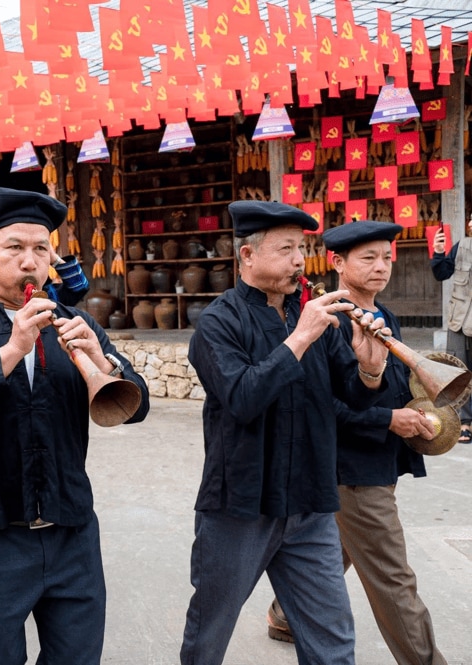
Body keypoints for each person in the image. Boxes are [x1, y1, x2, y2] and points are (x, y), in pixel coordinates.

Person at [0, 187, 150, 665]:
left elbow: (137, 405)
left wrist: (103, 362)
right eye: (15, 247)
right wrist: (11, 350)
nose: (29, 261)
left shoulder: (76, 322)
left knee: (77, 658)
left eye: (41, 249)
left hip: (72, 531)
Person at [181, 201, 392, 665]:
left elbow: (354, 397)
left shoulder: (312, 314)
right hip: (240, 504)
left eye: (301, 248)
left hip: (310, 501)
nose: (300, 260)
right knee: (210, 630)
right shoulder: (218, 322)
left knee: (332, 640)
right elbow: (242, 398)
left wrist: (371, 369)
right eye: (286, 250)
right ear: (248, 255)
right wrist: (299, 337)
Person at [264, 221, 446, 664]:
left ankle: (284, 615)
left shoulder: (386, 317)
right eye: (369, 258)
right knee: (393, 578)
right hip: (348, 467)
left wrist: (422, 416)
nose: (381, 266)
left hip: (380, 459)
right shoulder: (323, 322)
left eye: (387, 257)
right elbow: (317, 405)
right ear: (338, 263)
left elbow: (394, 387)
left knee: (340, 545)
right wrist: (388, 420)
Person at [431, 215, 472, 442]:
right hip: (460, 320)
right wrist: (439, 252)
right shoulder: (462, 246)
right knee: (459, 370)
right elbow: (442, 273)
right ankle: (464, 421)